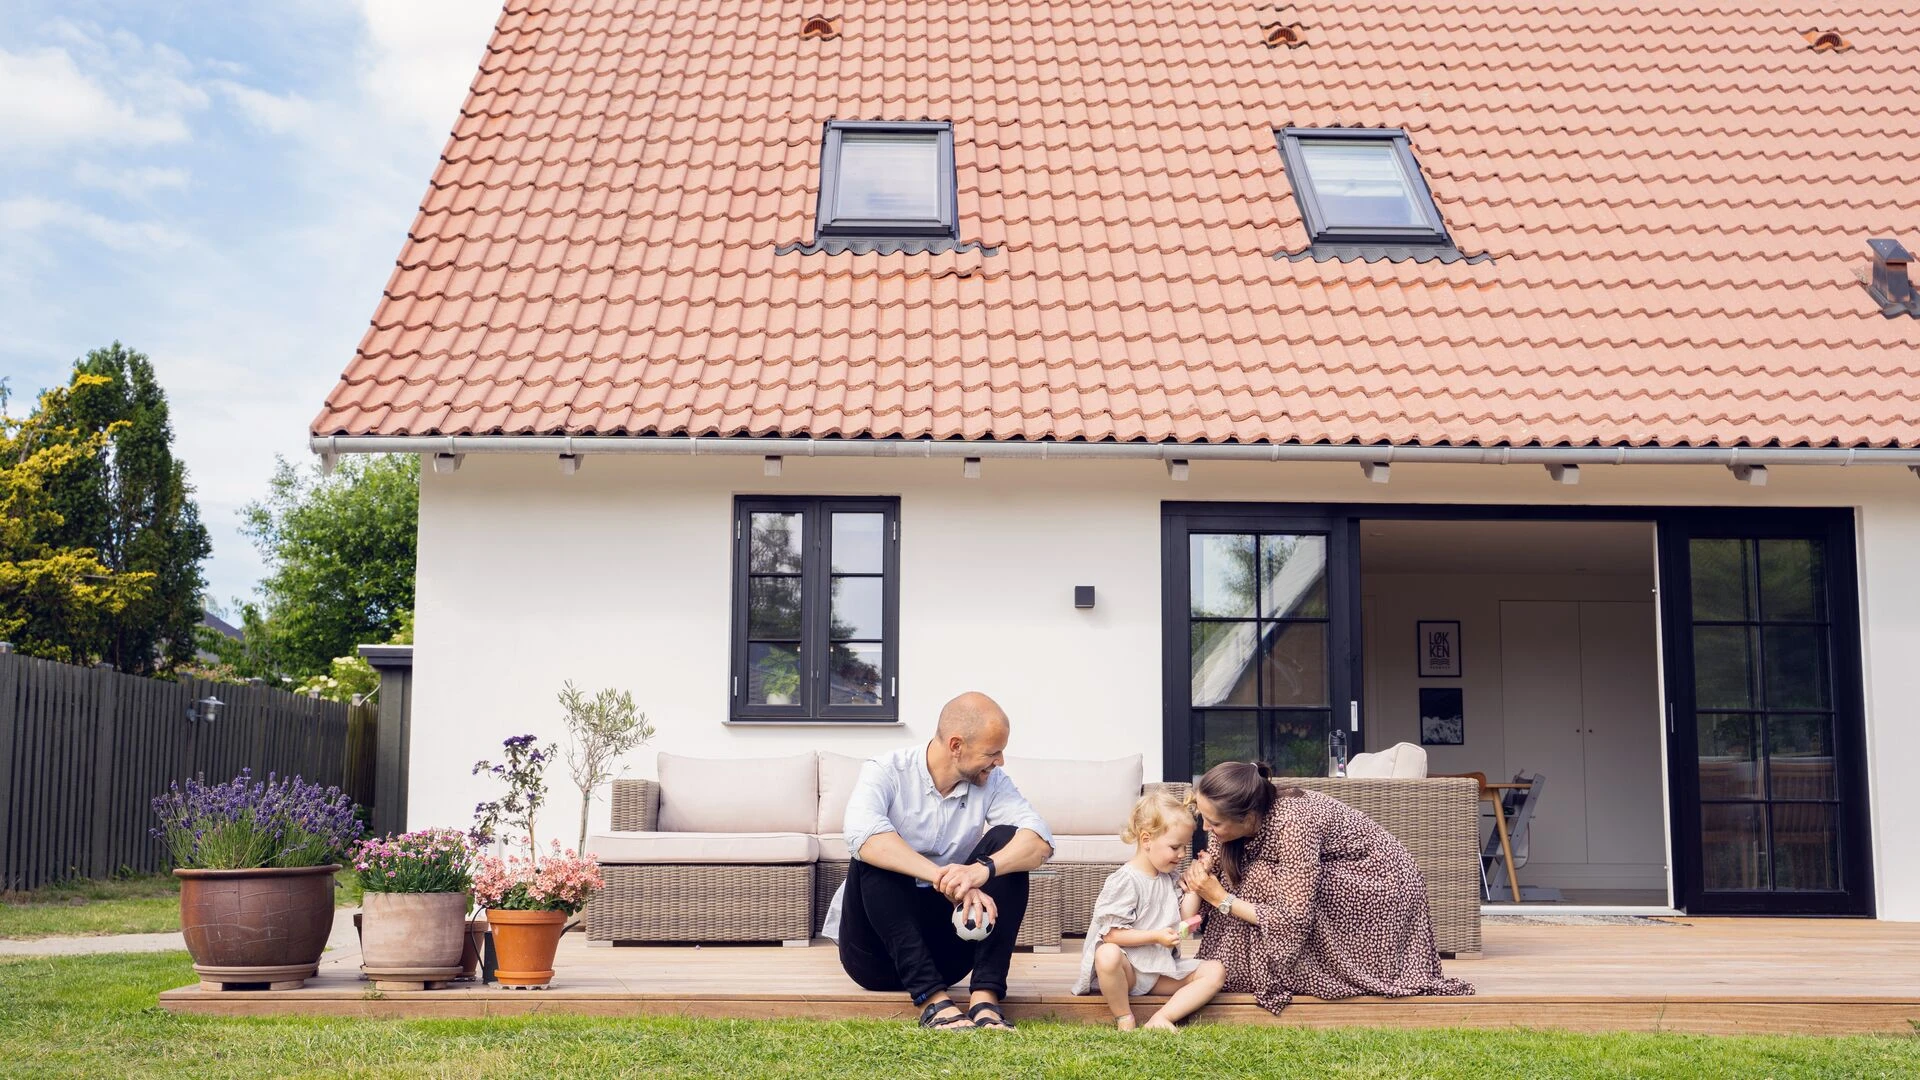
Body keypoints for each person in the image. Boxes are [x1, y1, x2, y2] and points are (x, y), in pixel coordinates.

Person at [824, 691, 1054, 1030]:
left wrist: (980, 872)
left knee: (1008, 842)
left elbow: (1040, 840)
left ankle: (985, 999)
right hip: (874, 956)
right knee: (878, 851)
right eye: (993, 753)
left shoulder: (993, 781)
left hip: (947, 954)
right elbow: (862, 835)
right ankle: (932, 1001)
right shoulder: (886, 771)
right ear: (956, 745)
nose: (1000, 761)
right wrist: (945, 878)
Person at [1182, 760, 1475, 1014]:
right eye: (1203, 818)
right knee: (1254, 876)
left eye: (1214, 822)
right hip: (1334, 873)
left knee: (1260, 877)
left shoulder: (1293, 823)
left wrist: (1221, 898)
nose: (1206, 829)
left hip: (1382, 882)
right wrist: (1201, 883)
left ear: (1246, 817)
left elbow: (1294, 918)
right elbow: (1204, 891)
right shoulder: (1226, 822)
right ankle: (1247, 970)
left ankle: (1291, 972)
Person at [1072, 790, 1227, 1030]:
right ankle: (1124, 1016)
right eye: (1175, 847)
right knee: (1107, 953)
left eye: (1185, 847)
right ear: (1146, 840)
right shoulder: (1126, 881)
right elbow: (1111, 934)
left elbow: (1186, 916)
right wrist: (1155, 936)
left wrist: (1198, 880)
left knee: (1215, 971)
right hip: (1128, 972)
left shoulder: (1169, 877)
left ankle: (1162, 1018)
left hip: (1161, 970)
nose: (1182, 854)